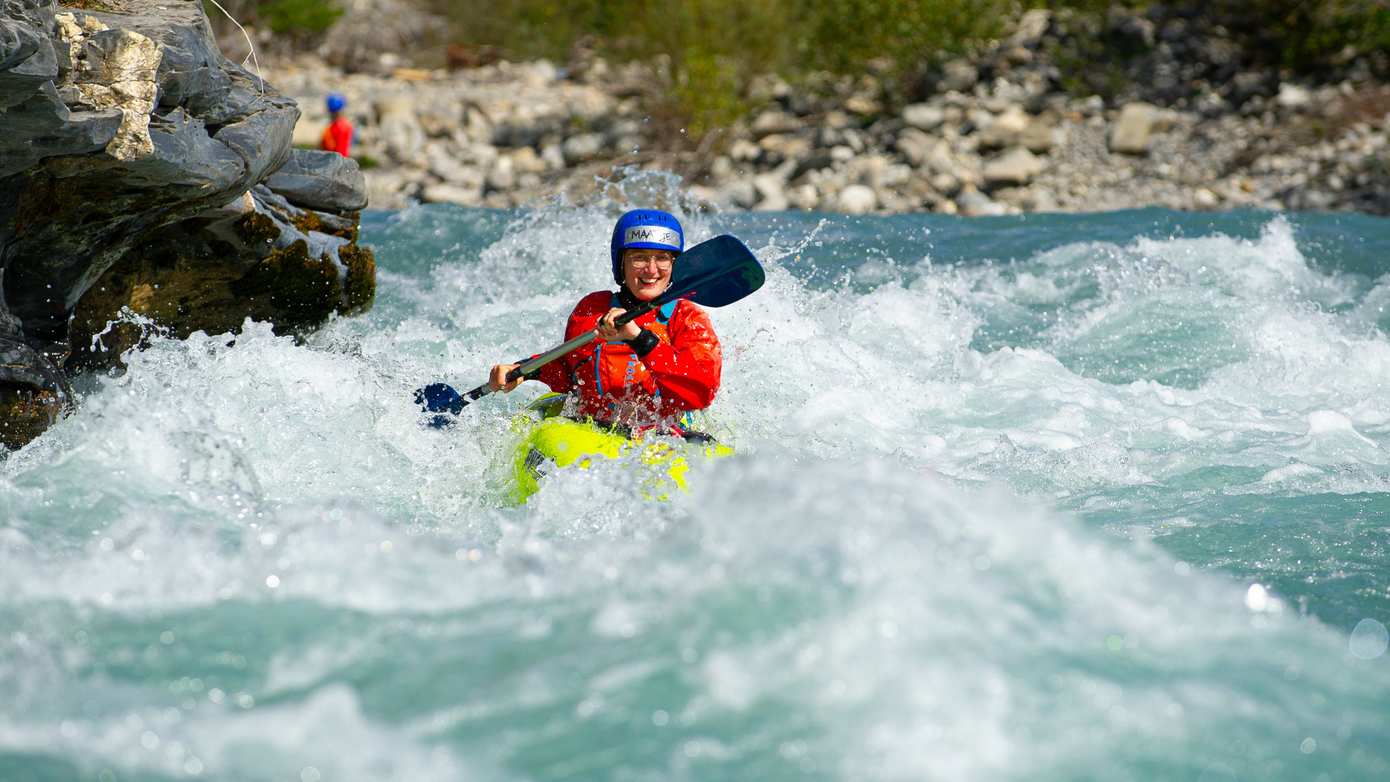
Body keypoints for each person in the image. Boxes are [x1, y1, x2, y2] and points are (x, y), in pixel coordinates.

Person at [487, 209, 722, 438]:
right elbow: (572, 371)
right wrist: (523, 371)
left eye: (662, 258)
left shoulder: (688, 317)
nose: (651, 269)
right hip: (592, 430)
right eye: (639, 257)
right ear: (621, 264)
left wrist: (640, 339)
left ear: (674, 264)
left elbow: (701, 392)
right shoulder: (593, 308)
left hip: (662, 433)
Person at [320, 93, 353, 157]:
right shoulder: (342, 125)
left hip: (334, 161)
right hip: (336, 160)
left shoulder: (338, 127)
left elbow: (339, 151)